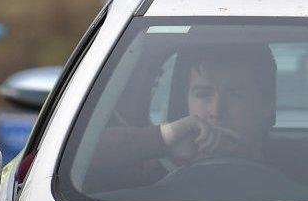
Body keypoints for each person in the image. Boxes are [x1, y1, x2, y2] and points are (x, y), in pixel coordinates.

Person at [85, 44, 277, 192]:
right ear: (186, 100)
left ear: (266, 106)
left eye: (235, 94)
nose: (217, 111)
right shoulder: (153, 168)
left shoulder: (302, 166)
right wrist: (167, 136)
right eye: (203, 94)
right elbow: (76, 158)